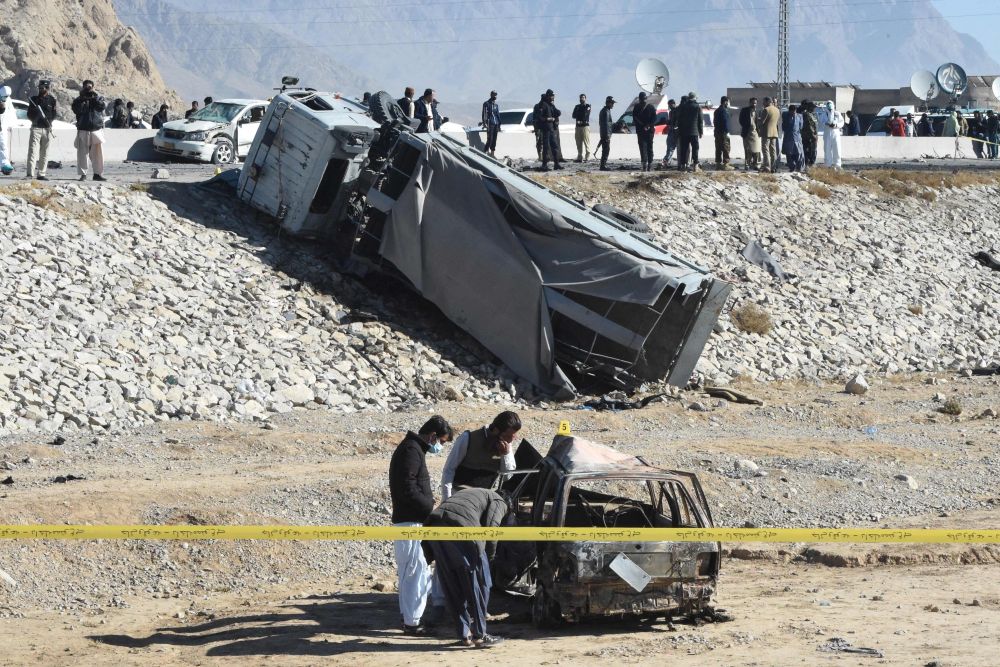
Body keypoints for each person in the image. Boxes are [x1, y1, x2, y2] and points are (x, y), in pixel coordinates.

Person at [389, 416, 454, 635]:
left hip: (412, 520)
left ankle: (410, 619)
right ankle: (412, 623)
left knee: (414, 572)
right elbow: (408, 488)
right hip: (410, 521)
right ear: (433, 436)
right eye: (441, 442)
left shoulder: (413, 449)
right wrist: (429, 507)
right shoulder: (411, 450)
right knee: (414, 573)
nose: (440, 447)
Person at [422, 487, 508, 648]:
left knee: (452, 587)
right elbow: (492, 528)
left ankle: (464, 635)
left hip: (434, 529)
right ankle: (480, 635)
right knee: (481, 584)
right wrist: (488, 559)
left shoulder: (472, 493)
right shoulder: (499, 500)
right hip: (462, 531)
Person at [441, 411, 520, 500]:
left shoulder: (506, 445)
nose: (510, 440)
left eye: (513, 436)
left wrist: (505, 455)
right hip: (460, 495)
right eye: (507, 436)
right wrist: (446, 498)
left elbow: (507, 476)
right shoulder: (468, 438)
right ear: (496, 430)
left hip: (484, 498)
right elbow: (449, 469)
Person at [71, 80, 107, 181]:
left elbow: (101, 107)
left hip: (96, 129)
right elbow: (76, 110)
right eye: (86, 87)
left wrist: (94, 98)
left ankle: (97, 174)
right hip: (83, 129)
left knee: (98, 154)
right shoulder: (79, 99)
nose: (88, 89)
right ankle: (83, 174)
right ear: (83, 87)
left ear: (93, 87)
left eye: (90, 87)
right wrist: (82, 98)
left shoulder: (98, 98)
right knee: (82, 153)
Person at [26, 79, 57, 181]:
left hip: (47, 128)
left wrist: (49, 121)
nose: (41, 89)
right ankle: (30, 174)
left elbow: (54, 114)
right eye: (40, 87)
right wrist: (36, 115)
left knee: (44, 152)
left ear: (47, 88)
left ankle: (41, 174)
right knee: (33, 151)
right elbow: (29, 114)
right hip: (36, 128)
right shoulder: (33, 99)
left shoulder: (52, 100)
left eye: (43, 87)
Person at [674, 91, 703, 172]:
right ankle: (695, 166)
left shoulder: (683, 106)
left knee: (684, 149)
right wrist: (701, 132)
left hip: (684, 132)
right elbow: (700, 121)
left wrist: (680, 130)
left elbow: (679, 119)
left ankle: (683, 166)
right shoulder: (697, 107)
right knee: (695, 149)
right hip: (694, 132)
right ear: (695, 98)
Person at [536, 89, 562, 171]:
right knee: (546, 147)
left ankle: (556, 164)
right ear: (548, 96)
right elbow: (539, 117)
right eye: (551, 96)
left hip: (551, 129)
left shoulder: (551, 105)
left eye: (553, 96)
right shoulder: (543, 105)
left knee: (554, 146)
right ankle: (544, 165)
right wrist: (548, 119)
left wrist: (554, 107)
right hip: (545, 129)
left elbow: (558, 113)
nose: (553, 97)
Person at [633, 91, 656, 171]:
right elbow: (635, 118)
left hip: (647, 131)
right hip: (643, 131)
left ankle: (648, 164)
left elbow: (654, 118)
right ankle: (646, 164)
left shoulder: (650, 107)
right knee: (645, 147)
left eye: (643, 99)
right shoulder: (637, 107)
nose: (643, 101)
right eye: (642, 99)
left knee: (647, 147)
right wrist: (645, 126)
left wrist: (647, 125)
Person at [758, 97, 780, 173]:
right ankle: (773, 167)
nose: (763, 103)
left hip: (766, 133)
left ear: (767, 102)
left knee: (765, 150)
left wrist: (758, 120)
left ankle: (767, 167)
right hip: (774, 132)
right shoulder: (777, 110)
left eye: (764, 102)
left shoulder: (766, 110)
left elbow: (762, 122)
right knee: (773, 150)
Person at [738, 97, 761, 171]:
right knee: (747, 150)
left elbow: (757, 122)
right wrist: (746, 126)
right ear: (749, 103)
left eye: (755, 103)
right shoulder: (744, 110)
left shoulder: (757, 111)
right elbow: (740, 120)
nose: (754, 104)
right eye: (753, 103)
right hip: (747, 133)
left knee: (756, 150)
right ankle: (747, 165)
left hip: (755, 133)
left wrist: (758, 131)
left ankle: (755, 164)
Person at [781, 104, 803, 172]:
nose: (793, 113)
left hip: (797, 137)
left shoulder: (799, 116)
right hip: (788, 137)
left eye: (794, 112)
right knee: (789, 153)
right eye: (792, 112)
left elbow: (801, 126)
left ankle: (797, 166)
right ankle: (791, 167)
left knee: (798, 153)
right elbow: (783, 126)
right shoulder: (785, 115)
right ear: (789, 111)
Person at [821, 101, 843, 169]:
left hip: (835, 133)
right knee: (827, 149)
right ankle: (828, 165)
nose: (830, 107)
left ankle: (838, 165)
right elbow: (821, 122)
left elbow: (842, 122)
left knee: (837, 149)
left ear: (833, 105)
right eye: (828, 105)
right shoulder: (824, 114)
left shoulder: (837, 113)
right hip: (827, 133)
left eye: (831, 105)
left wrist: (836, 125)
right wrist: (827, 123)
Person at [712, 96, 733, 170]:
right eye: (728, 102)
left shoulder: (717, 110)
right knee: (726, 148)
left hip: (717, 131)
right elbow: (725, 122)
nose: (728, 104)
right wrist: (727, 131)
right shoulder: (724, 111)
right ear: (725, 102)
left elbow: (714, 122)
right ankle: (726, 164)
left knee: (718, 148)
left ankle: (718, 164)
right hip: (723, 132)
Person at [571, 93, 592, 162]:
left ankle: (587, 156)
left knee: (586, 141)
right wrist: (580, 113)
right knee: (578, 142)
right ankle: (580, 156)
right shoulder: (577, 106)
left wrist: (579, 114)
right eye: (580, 97)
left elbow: (585, 114)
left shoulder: (588, 106)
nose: (581, 99)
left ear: (585, 98)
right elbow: (573, 115)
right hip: (578, 126)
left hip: (585, 126)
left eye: (583, 97)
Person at [481, 90, 500, 157]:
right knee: (490, 139)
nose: (495, 96)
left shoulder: (496, 105)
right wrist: (484, 122)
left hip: (496, 124)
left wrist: (499, 124)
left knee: (494, 139)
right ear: (491, 95)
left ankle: (492, 154)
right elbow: (484, 113)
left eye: (496, 95)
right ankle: (485, 152)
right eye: (494, 95)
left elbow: (498, 115)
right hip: (490, 123)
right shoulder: (486, 103)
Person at [0, 85, 14, 176]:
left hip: (3, 127)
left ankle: (5, 165)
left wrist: (11, 124)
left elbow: (11, 112)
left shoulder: (8, 100)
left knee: (3, 146)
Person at [597, 95, 615, 170]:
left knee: (605, 149)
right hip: (605, 135)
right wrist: (607, 136)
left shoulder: (605, 111)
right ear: (608, 103)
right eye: (612, 103)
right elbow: (606, 125)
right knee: (606, 150)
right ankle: (603, 166)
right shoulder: (605, 112)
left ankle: (603, 165)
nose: (613, 105)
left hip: (604, 134)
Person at [660, 98, 678, 167]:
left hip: (675, 131)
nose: (669, 106)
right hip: (671, 131)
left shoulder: (677, 111)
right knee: (670, 147)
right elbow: (671, 121)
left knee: (671, 147)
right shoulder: (671, 112)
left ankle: (666, 160)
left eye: (670, 105)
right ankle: (667, 160)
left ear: (673, 104)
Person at [800, 100, 818, 168]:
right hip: (808, 136)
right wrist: (813, 135)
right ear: (809, 107)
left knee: (813, 150)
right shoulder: (806, 114)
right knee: (809, 150)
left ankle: (812, 163)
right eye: (813, 107)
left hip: (813, 136)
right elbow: (809, 126)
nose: (814, 108)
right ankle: (808, 164)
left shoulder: (812, 114)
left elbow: (815, 125)